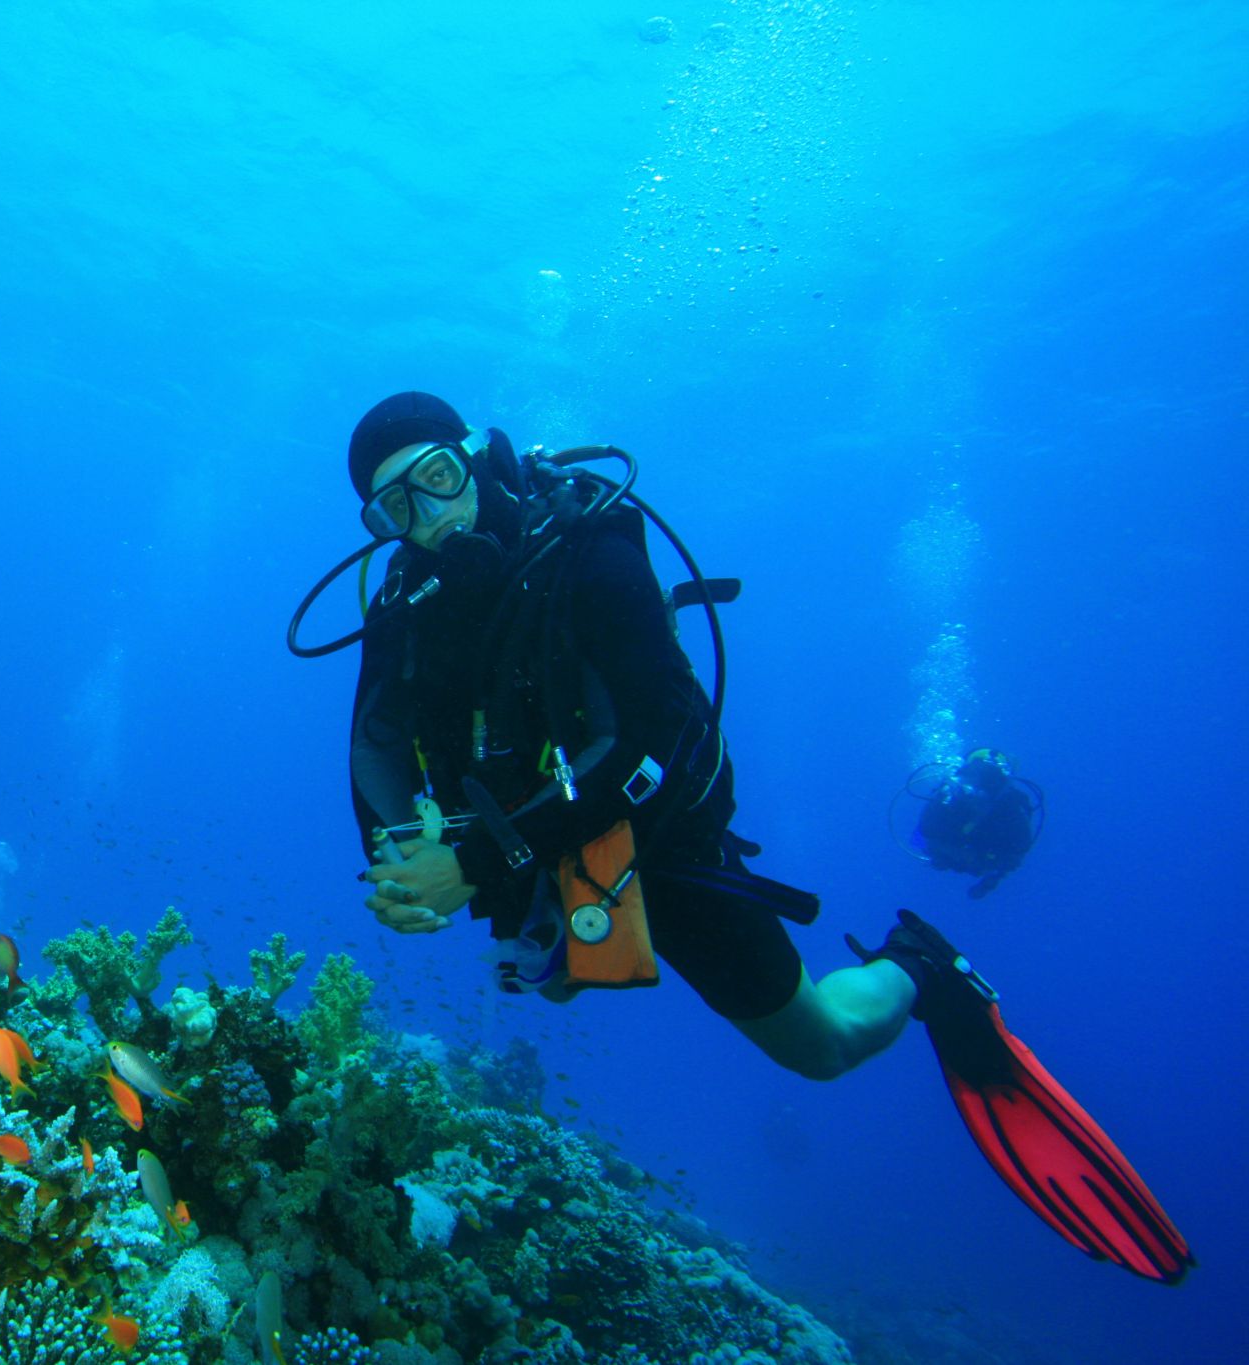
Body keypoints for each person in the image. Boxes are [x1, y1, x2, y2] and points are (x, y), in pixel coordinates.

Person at [292, 392, 1190, 1282]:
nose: (431, 518)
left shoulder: (592, 549)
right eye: (395, 507)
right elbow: (375, 737)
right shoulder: (409, 589)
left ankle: (918, 967)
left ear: (473, 456)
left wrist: (477, 862)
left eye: (438, 480)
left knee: (822, 1048)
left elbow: (658, 746)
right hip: (535, 846)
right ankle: (577, 945)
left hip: (655, 838)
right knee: (561, 983)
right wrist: (399, 855)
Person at [908, 748, 1042, 899]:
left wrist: (988, 875)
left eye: (992, 780)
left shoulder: (1010, 806)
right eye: (977, 775)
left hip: (981, 855)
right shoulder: (949, 796)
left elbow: (1016, 854)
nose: (982, 788)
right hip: (962, 851)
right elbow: (925, 834)